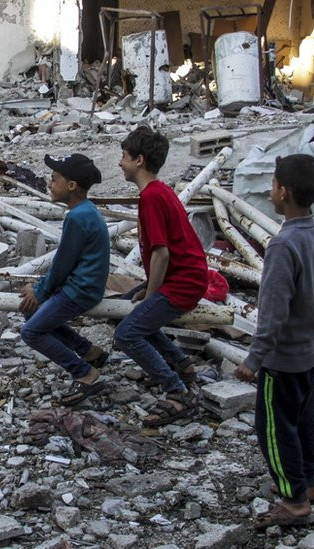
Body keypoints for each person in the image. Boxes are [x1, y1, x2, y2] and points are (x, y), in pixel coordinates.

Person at [235, 154, 314, 529]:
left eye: (274, 183)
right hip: (312, 350)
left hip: (284, 358)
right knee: (303, 419)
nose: (270, 190)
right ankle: (307, 483)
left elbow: (273, 311)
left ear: (284, 192)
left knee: (274, 429)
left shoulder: (282, 246)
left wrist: (254, 358)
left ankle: (292, 501)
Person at [115, 126, 207, 426]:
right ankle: (180, 363)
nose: (120, 163)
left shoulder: (151, 197)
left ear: (139, 160)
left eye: (124, 157)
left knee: (127, 333)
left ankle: (176, 391)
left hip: (180, 283)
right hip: (184, 277)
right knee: (128, 311)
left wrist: (152, 294)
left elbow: (161, 253)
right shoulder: (161, 190)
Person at [19, 153, 111, 406]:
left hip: (80, 290)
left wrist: (40, 291)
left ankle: (84, 372)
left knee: (31, 332)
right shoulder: (86, 210)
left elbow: (62, 263)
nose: (50, 184)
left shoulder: (77, 217)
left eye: (54, 179)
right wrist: (40, 290)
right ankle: (89, 351)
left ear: (71, 186)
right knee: (32, 313)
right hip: (83, 285)